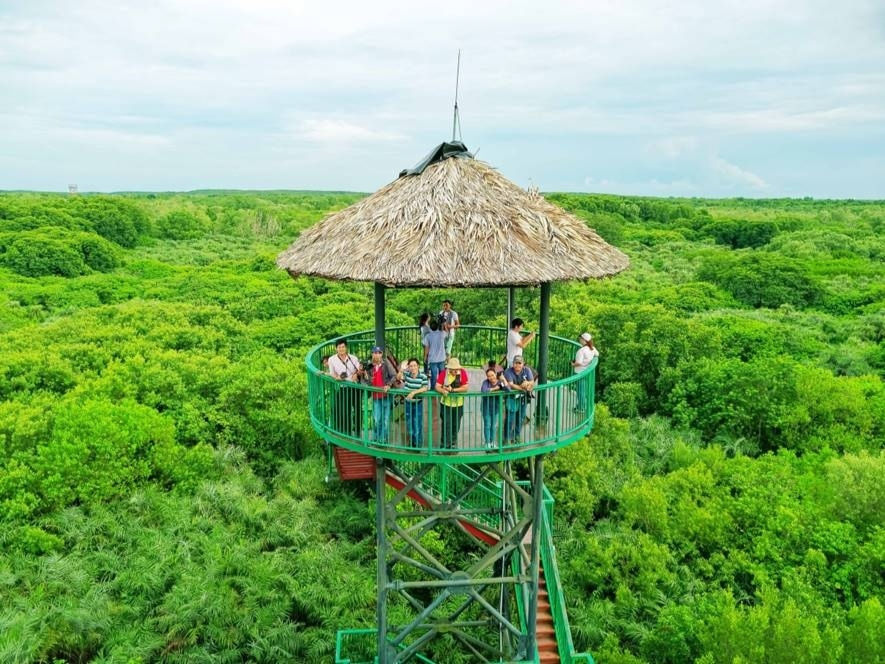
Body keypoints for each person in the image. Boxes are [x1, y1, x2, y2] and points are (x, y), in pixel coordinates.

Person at [360, 345, 398, 442]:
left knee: (385, 420)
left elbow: (394, 375)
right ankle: (376, 437)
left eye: (378, 353)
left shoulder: (386, 364)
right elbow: (366, 382)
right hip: (376, 396)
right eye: (374, 353)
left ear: (381, 354)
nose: (376, 355)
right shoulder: (369, 367)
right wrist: (365, 377)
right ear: (372, 354)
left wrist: (389, 385)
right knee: (377, 420)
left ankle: (384, 439)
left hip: (386, 396)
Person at [327, 339, 363, 437]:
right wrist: (337, 377)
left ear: (346, 348)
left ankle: (358, 431)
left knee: (358, 410)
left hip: (355, 387)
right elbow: (332, 374)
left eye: (343, 347)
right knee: (345, 411)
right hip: (343, 387)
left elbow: (359, 370)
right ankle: (347, 433)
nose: (341, 349)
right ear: (336, 349)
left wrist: (356, 374)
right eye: (339, 347)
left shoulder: (353, 358)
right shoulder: (332, 359)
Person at [435, 357, 469, 449]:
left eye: (457, 369)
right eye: (453, 369)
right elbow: (437, 386)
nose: (455, 371)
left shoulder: (462, 373)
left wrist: (453, 390)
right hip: (446, 404)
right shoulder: (443, 373)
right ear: (449, 368)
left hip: (458, 404)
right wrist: (443, 391)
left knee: (456, 424)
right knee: (446, 424)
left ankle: (453, 442)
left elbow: (465, 387)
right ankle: (444, 444)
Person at [503, 355, 535, 444]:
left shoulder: (527, 370)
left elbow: (532, 381)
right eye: (516, 363)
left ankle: (516, 435)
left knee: (520, 417)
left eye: (519, 363)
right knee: (510, 418)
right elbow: (511, 384)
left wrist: (527, 383)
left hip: (523, 398)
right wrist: (522, 388)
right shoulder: (508, 371)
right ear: (513, 364)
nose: (517, 365)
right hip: (512, 398)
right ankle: (506, 437)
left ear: (523, 364)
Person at [402, 357, 429, 447]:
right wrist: (402, 369)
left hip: (418, 403)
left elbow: (425, 388)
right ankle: (412, 442)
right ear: (408, 367)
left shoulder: (423, 376)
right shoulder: (407, 374)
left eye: (414, 366)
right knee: (409, 424)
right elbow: (399, 377)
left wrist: (414, 392)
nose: (413, 368)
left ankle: (418, 443)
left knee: (417, 423)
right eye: (410, 366)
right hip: (408, 403)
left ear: (418, 366)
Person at [481, 367, 510, 449]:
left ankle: (492, 442)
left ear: (495, 374)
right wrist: (496, 388)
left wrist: (504, 380)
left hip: (496, 408)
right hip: (486, 407)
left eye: (492, 375)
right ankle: (487, 443)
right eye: (489, 376)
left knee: (493, 425)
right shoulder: (486, 382)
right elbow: (484, 391)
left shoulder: (500, 382)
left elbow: (508, 390)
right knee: (487, 425)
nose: (491, 377)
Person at [572, 332, 599, 413]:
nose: (579, 340)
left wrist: (572, 364)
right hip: (586, 372)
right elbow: (597, 354)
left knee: (580, 391)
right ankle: (582, 405)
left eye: (581, 339)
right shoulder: (592, 349)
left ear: (584, 340)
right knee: (583, 390)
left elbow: (579, 363)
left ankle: (581, 408)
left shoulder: (581, 351)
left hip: (579, 372)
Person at [423, 318, 448, 390]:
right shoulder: (442, 333)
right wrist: (444, 324)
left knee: (434, 376)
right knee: (442, 375)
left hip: (432, 359)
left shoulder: (428, 336)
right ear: (437, 326)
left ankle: (433, 389)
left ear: (430, 327)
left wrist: (425, 357)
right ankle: (441, 388)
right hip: (441, 358)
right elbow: (447, 332)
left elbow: (427, 348)